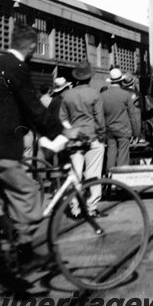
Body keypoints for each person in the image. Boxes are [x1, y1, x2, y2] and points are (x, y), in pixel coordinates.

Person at [0, 25, 77, 273]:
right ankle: (24, 252)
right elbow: (33, 107)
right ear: (30, 47)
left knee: (2, 196)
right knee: (28, 192)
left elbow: (14, 108)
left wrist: (39, 128)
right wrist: (63, 131)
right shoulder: (17, 68)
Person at [59, 60, 106, 216]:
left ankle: (75, 207)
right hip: (92, 138)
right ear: (89, 77)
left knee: (76, 174)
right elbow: (100, 120)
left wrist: (71, 131)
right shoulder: (95, 94)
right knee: (93, 174)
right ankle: (91, 206)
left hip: (74, 139)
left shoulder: (67, 95)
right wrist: (101, 136)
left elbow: (63, 119)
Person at [101, 67, 139, 170]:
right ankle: (120, 178)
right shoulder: (126, 95)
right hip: (123, 129)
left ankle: (110, 176)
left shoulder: (103, 95)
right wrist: (136, 133)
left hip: (109, 129)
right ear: (121, 80)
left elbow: (101, 114)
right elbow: (132, 115)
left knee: (111, 153)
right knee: (123, 154)